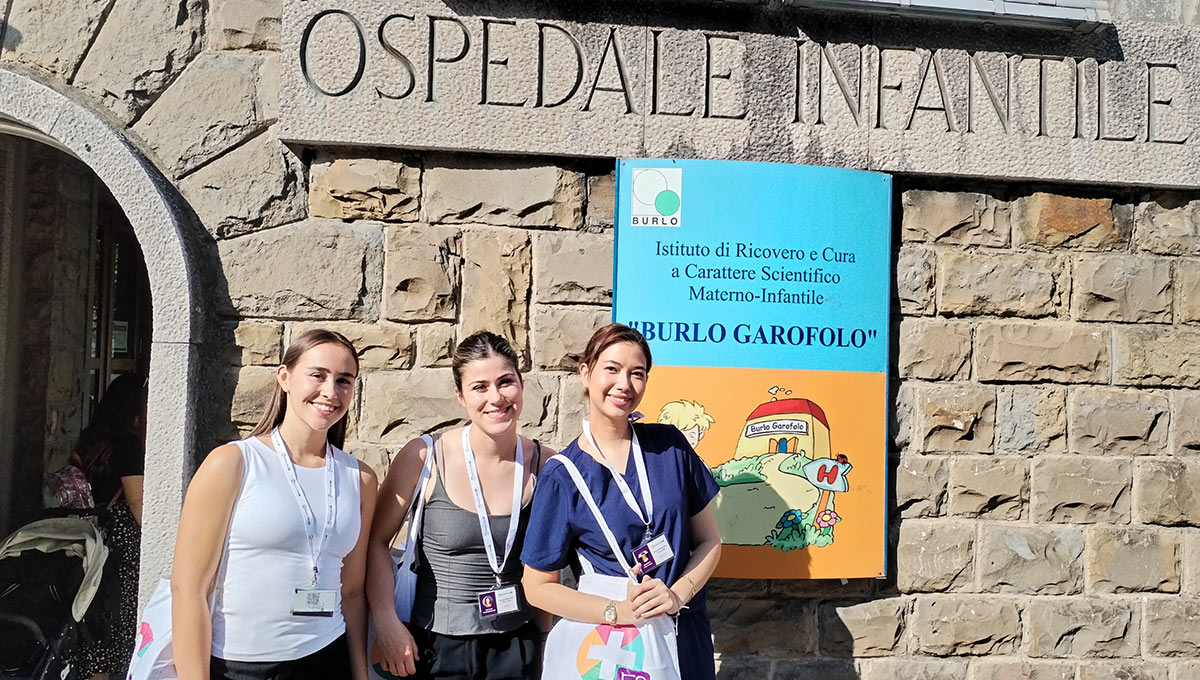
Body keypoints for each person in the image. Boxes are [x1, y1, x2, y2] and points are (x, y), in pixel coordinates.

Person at [171, 329, 377, 680]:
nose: (331, 391)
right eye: (318, 375)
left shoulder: (360, 479)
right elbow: (189, 589)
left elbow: (353, 592)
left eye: (344, 380)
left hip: (328, 657)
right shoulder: (233, 463)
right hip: (240, 665)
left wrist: (361, 674)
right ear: (284, 377)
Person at [521, 323, 723, 680]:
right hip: (617, 644)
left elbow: (710, 541)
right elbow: (536, 587)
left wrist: (677, 595)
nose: (624, 384)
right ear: (586, 372)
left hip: (684, 632)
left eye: (637, 373)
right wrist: (616, 611)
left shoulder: (670, 447)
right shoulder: (563, 476)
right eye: (612, 369)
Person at [367, 331, 554, 680]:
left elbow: (548, 563)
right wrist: (387, 623)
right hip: (435, 647)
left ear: (521, 384)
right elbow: (376, 542)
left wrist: (546, 639)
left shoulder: (546, 464)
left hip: (519, 645)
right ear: (460, 396)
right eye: (480, 387)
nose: (496, 397)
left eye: (505, 382)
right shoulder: (424, 457)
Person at [71, 373, 147, 680]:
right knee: (121, 615)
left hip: (90, 536)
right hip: (122, 539)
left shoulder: (90, 441)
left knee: (95, 614)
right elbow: (137, 501)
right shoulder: (129, 445)